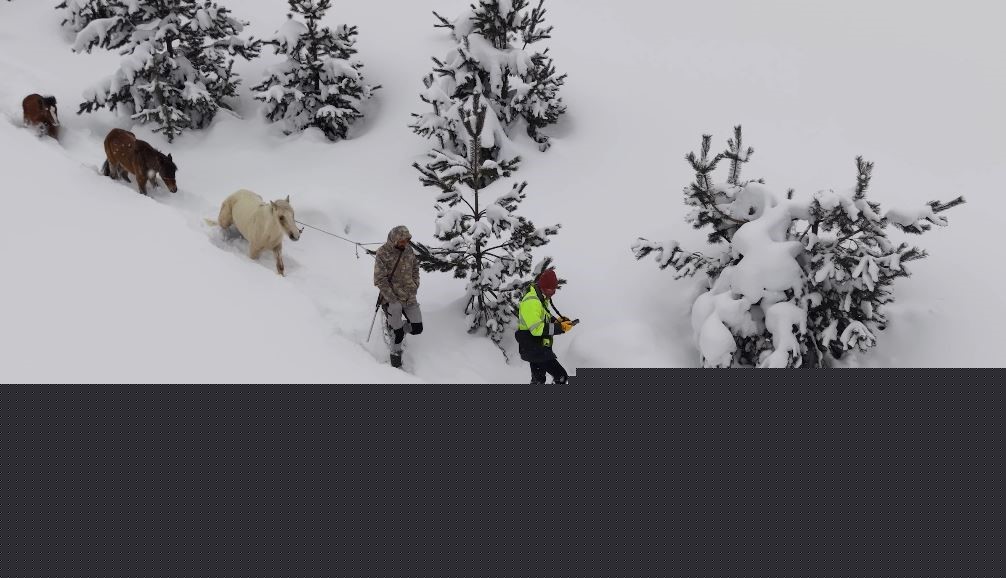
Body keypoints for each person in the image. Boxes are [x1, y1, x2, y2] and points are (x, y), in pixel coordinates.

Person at [374, 225, 423, 368]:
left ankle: (396, 328)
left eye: (406, 240)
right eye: (402, 241)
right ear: (394, 239)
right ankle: (395, 363)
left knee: (417, 328)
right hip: (392, 298)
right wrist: (392, 299)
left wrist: (415, 284)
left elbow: (415, 268)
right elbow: (379, 279)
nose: (405, 243)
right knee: (398, 334)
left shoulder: (408, 250)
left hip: (409, 296)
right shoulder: (383, 253)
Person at [515, 268, 574, 384]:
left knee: (538, 380)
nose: (552, 293)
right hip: (534, 347)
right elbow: (537, 329)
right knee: (561, 377)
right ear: (543, 287)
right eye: (551, 290)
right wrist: (560, 328)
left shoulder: (540, 297)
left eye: (554, 290)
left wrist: (557, 321)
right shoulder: (532, 302)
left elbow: (543, 316)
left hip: (537, 346)